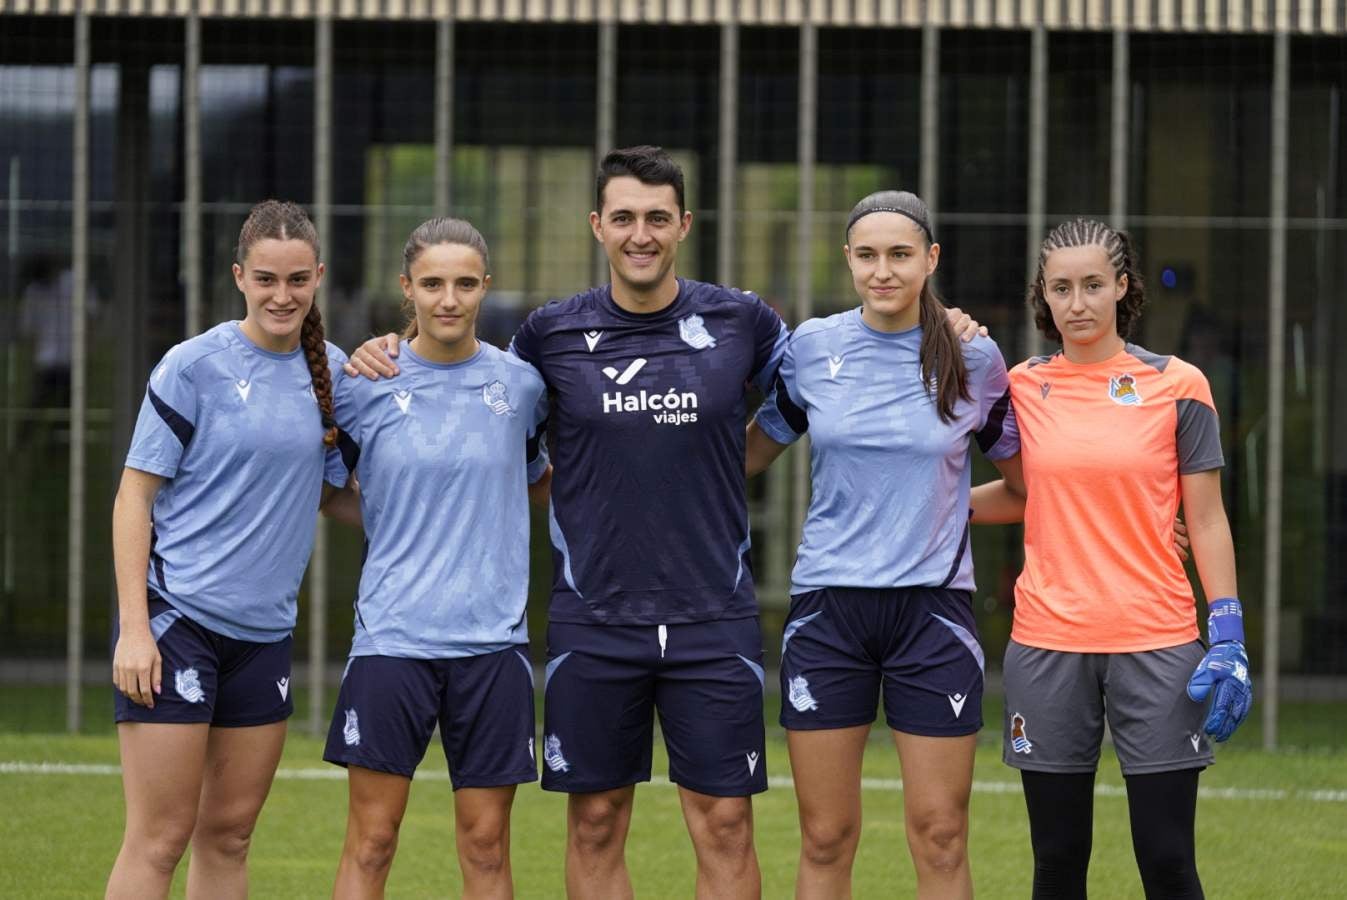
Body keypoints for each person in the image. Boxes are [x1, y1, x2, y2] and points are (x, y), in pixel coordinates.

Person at [345, 146, 982, 899]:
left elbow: (838, 372)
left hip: (713, 617)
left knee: (722, 824)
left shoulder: (745, 322)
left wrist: (939, 321)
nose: (638, 234)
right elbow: (465, 375)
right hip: (594, 618)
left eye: (655, 218)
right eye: (622, 218)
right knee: (594, 824)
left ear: (682, 224)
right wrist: (386, 349)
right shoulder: (547, 338)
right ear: (597, 226)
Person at [745, 191, 1021, 899]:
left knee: (938, 835)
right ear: (847, 260)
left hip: (931, 617)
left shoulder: (974, 357)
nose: (883, 271)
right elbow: (747, 457)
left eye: (900, 255)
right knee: (826, 837)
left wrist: (935, 511)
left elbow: (1025, 490)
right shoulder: (810, 348)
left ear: (929, 260)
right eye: (866, 255)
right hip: (828, 615)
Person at [972, 218, 1252, 900]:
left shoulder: (1176, 384)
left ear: (1121, 287)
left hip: (1156, 640)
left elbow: (1204, 515)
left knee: (1165, 861)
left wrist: (1228, 632)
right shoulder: (1019, 385)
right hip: (1046, 643)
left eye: (1093, 285)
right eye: (1061, 287)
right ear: (1043, 292)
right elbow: (1026, 495)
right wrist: (925, 511)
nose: (1077, 303)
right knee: (1057, 861)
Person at [106, 200, 347, 900]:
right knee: (159, 838)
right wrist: (134, 630)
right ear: (240, 276)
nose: (283, 295)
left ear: (318, 277)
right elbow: (133, 499)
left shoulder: (331, 372)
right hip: (176, 625)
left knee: (230, 836)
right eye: (267, 279)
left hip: (264, 636)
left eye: (298, 280)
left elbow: (333, 493)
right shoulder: (193, 365)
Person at [322, 217, 549, 899]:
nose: (447, 299)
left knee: (486, 847)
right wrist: (402, 520)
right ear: (406, 289)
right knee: (371, 841)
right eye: (431, 284)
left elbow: (535, 481)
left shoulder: (523, 388)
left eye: (462, 284)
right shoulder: (363, 385)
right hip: (392, 639)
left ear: (485, 287)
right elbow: (329, 492)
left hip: (492, 642)